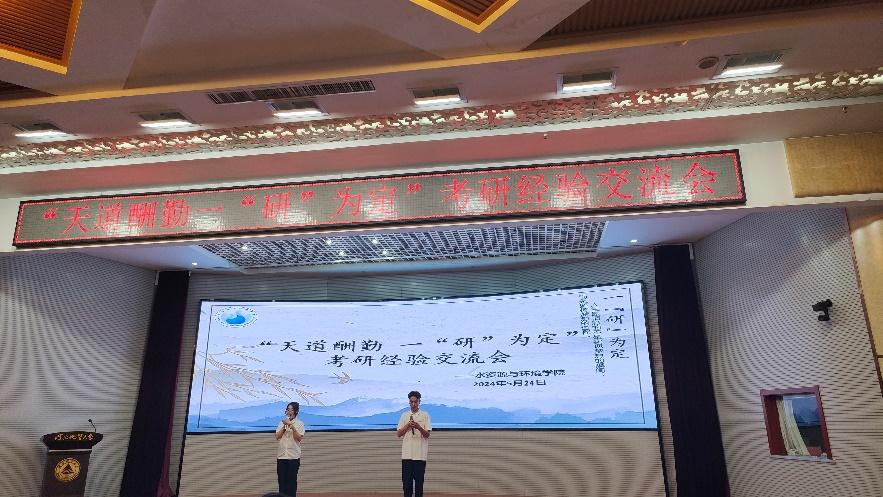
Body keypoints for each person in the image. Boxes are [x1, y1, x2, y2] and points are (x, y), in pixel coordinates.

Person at [396, 390, 431, 497]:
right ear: (409, 402)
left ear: (419, 401)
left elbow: (427, 434)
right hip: (407, 456)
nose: (413, 404)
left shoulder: (425, 415)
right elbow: (399, 434)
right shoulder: (404, 415)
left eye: (415, 402)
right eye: (411, 402)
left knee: (419, 484)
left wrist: (419, 427)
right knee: (407, 484)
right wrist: (407, 425)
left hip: (420, 456)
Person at [275, 401, 305, 497]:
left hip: (293, 457)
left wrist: (292, 427)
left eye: (291, 409)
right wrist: (285, 427)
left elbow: (299, 438)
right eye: (288, 409)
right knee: (282, 482)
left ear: (296, 411)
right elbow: (277, 436)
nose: (289, 411)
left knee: (291, 482)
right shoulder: (281, 423)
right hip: (282, 456)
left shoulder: (300, 423)